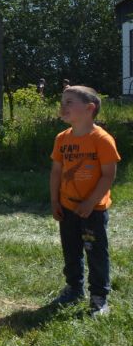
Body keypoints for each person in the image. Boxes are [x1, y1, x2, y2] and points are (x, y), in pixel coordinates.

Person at [49, 85, 119, 316]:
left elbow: (108, 175)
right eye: (62, 102)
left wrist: (90, 203)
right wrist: (55, 201)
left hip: (93, 210)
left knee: (96, 252)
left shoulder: (102, 139)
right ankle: (74, 289)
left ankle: (99, 298)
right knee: (71, 250)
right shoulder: (62, 139)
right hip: (67, 207)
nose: (63, 106)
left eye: (69, 102)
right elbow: (56, 172)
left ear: (89, 108)